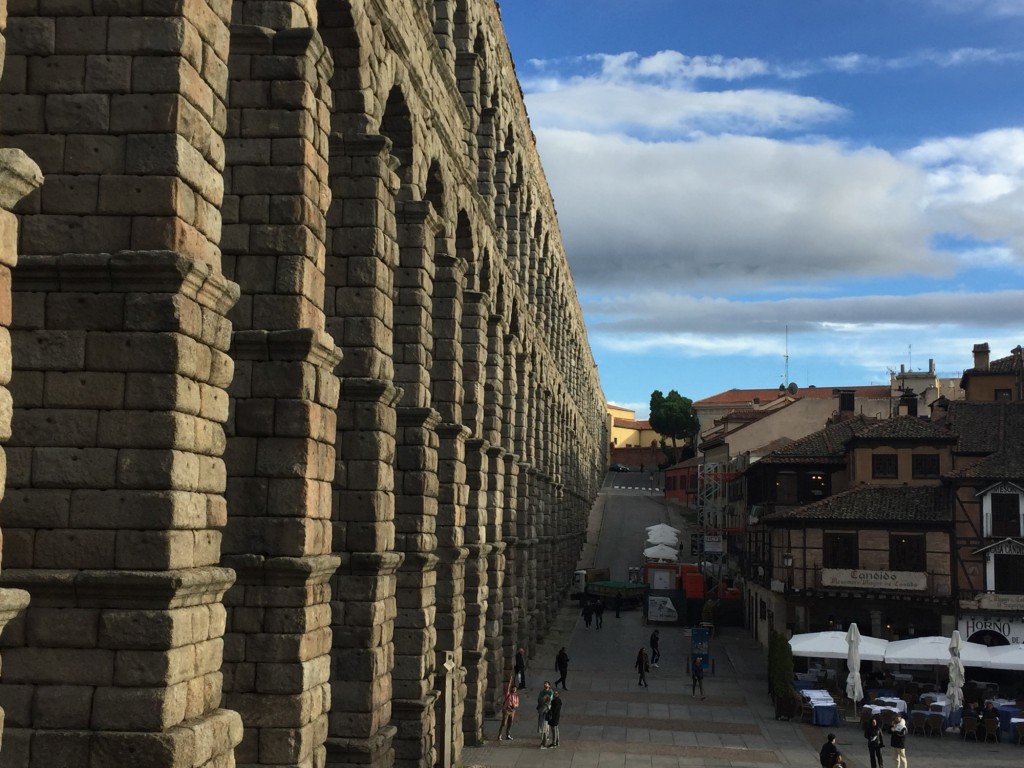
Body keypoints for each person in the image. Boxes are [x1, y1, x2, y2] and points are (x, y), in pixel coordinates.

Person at [498, 676, 519, 741]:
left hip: (512, 711)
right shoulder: (508, 694)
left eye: (515, 689)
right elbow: (508, 687)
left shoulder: (516, 696)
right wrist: (510, 681)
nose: (514, 690)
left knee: (510, 723)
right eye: (513, 688)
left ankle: (508, 735)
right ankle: (500, 734)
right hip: (506, 710)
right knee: (504, 723)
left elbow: (517, 703)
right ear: (511, 689)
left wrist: (514, 705)